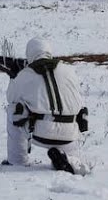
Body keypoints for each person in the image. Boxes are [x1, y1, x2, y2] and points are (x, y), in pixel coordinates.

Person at [5, 37, 87, 173]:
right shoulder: (69, 70)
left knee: (12, 110)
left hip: (42, 133)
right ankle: (68, 160)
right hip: (70, 132)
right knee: (72, 158)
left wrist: (14, 77)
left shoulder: (26, 74)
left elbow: (11, 98)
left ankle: (17, 161)